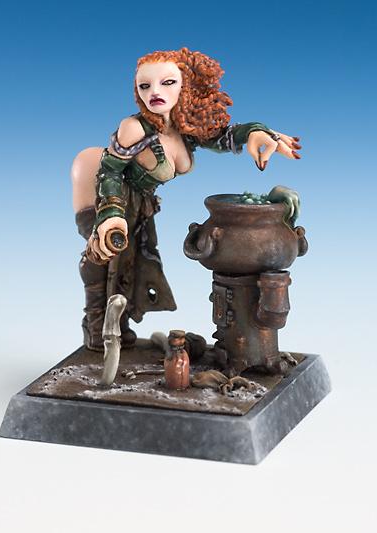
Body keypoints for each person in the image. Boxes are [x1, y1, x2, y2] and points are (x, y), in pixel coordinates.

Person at [71, 47, 302, 351]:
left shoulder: (183, 128)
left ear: (185, 86)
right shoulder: (134, 128)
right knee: (104, 257)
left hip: (141, 205)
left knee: (133, 266)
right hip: (107, 196)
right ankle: (96, 326)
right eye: (145, 86)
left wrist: (256, 133)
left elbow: (223, 137)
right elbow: (110, 171)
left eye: (167, 83)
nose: (155, 92)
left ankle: (116, 325)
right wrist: (111, 213)